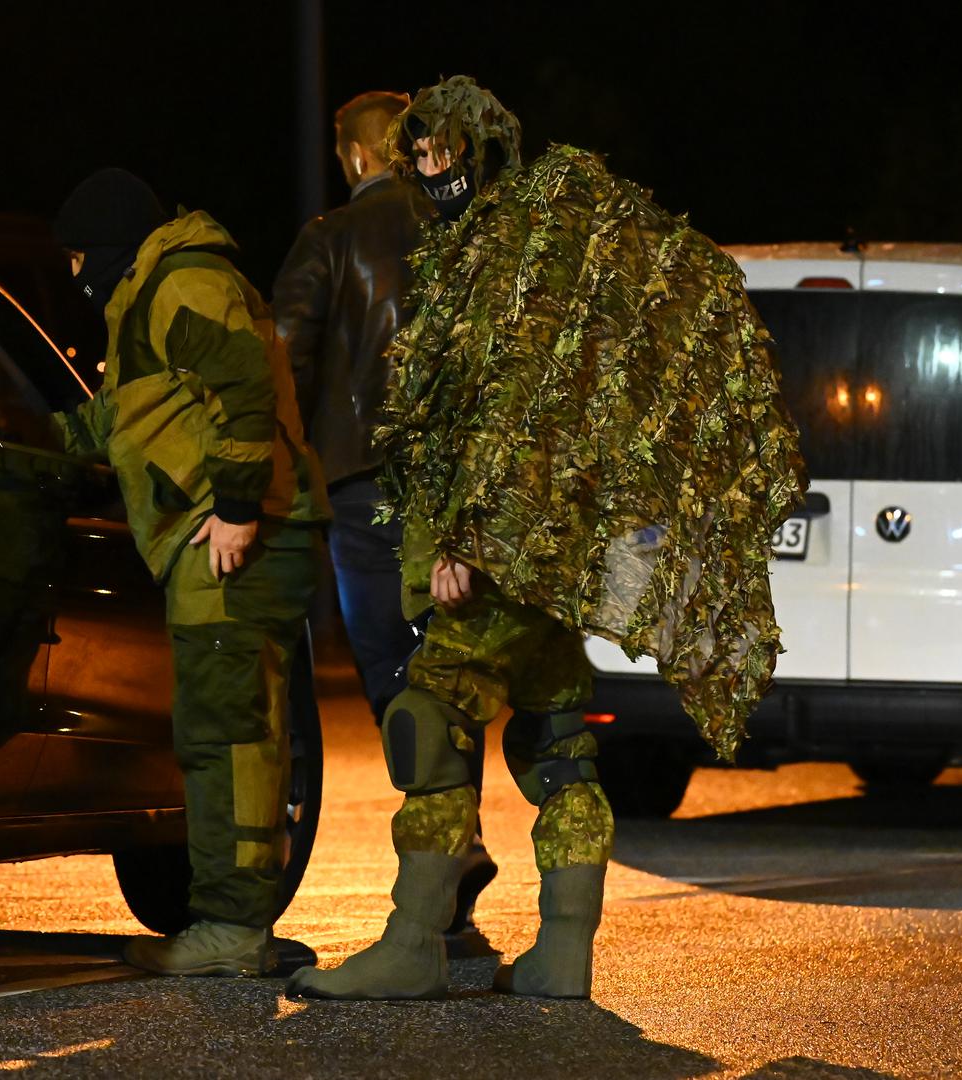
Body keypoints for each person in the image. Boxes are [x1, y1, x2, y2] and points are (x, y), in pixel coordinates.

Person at [286, 77, 806, 1002]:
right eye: (420, 153)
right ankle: (564, 950)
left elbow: (496, 412)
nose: (429, 168)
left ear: (475, 152)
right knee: (557, 737)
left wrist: (461, 538)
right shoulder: (545, 248)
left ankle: (414, 946)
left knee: (430, 723)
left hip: (489, 550)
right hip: (549, 557)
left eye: (443, 153)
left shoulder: (492, 261)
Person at [51, 168, 329, 977]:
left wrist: (238, 508)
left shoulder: (181, 284)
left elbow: (243, 392)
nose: (75, 276)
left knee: (227, 737)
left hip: (233, 538)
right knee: (241, 734)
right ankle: (241, 923)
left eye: (77, 258)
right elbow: (138, 412)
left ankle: (232, 930)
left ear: (107, 245)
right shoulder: (162, 289)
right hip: (237, 533)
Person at [273, 90, 499, 934]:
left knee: (397, 675)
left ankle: (445, 868)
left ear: (360, 157)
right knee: (450, 674)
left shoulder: (332, 239)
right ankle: (453, 890)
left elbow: (284, 364)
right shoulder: (467, 231)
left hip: (367, 486)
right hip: (458, 492)